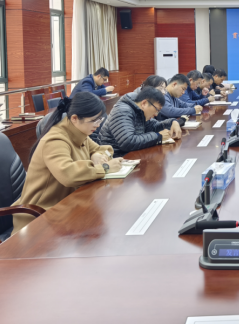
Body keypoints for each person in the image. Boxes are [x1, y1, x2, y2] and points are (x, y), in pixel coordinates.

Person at [11, 92, 123, 234]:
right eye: (94, 120)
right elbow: (68, 174)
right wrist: (105, 167)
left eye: (100, 120)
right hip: (40, 216)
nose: (98, 124)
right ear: (75, 118)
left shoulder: (79, 132)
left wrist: (96, 154)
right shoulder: (55, 140)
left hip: (67, 206)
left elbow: (103, 149)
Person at [99, 87, 182, 157]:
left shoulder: (140, 110)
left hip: (130, 155)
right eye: (156, 110)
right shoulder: (123, 111)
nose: (156, 114)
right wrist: (158, 136)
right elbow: (127, 142)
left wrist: (173, 122)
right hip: (114, 158)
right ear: (144, 103)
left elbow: (154, 126)